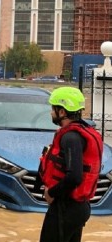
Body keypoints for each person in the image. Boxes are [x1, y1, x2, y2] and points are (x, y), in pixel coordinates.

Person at [38, 87, 103, 242]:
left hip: (66, 208)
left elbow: (74, 177)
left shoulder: (70, 138)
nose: (51, 112)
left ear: (62, 112)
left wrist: (51, 193)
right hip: (78, 207)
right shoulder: (81, 132)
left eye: (53, 109)